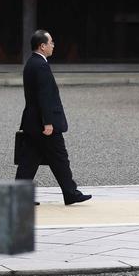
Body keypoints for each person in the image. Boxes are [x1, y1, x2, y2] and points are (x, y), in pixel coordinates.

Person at [15, 30, 92, 205]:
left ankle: (20, 196)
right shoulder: (40, 65)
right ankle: (70, 193)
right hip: (43, 124)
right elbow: (44, 96)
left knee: (29, 160)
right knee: (59, 158)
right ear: (42, 46)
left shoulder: (31, 63)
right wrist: (48, 122)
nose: (53, 45)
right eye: (51, 43)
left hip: (32, 122)